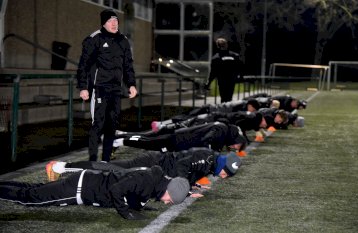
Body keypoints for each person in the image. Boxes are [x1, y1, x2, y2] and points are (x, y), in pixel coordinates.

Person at [0, 166, 190, 220]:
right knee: (30, 199)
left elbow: (133, 192)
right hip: (79, 189)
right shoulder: (148, 182)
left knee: (32, 190)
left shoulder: (154, 180)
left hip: (84, 182)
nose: (166, 202)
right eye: (169, 199)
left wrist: (140, 208)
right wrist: (125, 213)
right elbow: (117, 190)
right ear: (168, 189)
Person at [76, 9, 137, 162]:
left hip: (115, 89)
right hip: (99, 88)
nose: (114, 23)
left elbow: (128, 65)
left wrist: (131, 84)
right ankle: (92, 159)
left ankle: (106, 160)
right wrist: (83, 87)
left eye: (116, 20)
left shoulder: (123, 41)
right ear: (103, 23)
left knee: (112, 125)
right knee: (98, 124)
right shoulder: (95, 39)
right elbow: (83, 64)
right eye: (110, 21)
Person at [45, 148, 242, 189]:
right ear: (223, 164)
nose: (225, 176)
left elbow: (188, 171)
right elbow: (182, 166)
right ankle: (61, 166)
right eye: (227, 172)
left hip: (155, 166)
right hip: (152, 163)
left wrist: (193, 186)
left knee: (109, 171)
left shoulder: (210, 162)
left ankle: (63, 168)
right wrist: (185, 188)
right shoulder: (207, 158)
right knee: (109, 169)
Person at [113, 121, 247, 153]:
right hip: (179, 141)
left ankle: (120, 137)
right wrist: (211, 151)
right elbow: (207, 139)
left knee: (148, 139)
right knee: (148, 142)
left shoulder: (223, 129)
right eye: (237, 145)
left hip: (181, 137)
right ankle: (120, 140)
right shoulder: (221, 130)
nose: (235, 148)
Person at [204, 37, 243, 103]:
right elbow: (240, 68)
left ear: (217, 46)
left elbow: (213, 72)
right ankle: (229, 109)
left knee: (224, 97)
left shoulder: (216, 58)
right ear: (226, 45)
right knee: (229, 97)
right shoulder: (235, 56)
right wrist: (240, 76)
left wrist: (208, 83)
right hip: (231, 80)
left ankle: (224, 110)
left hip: (222, 81)